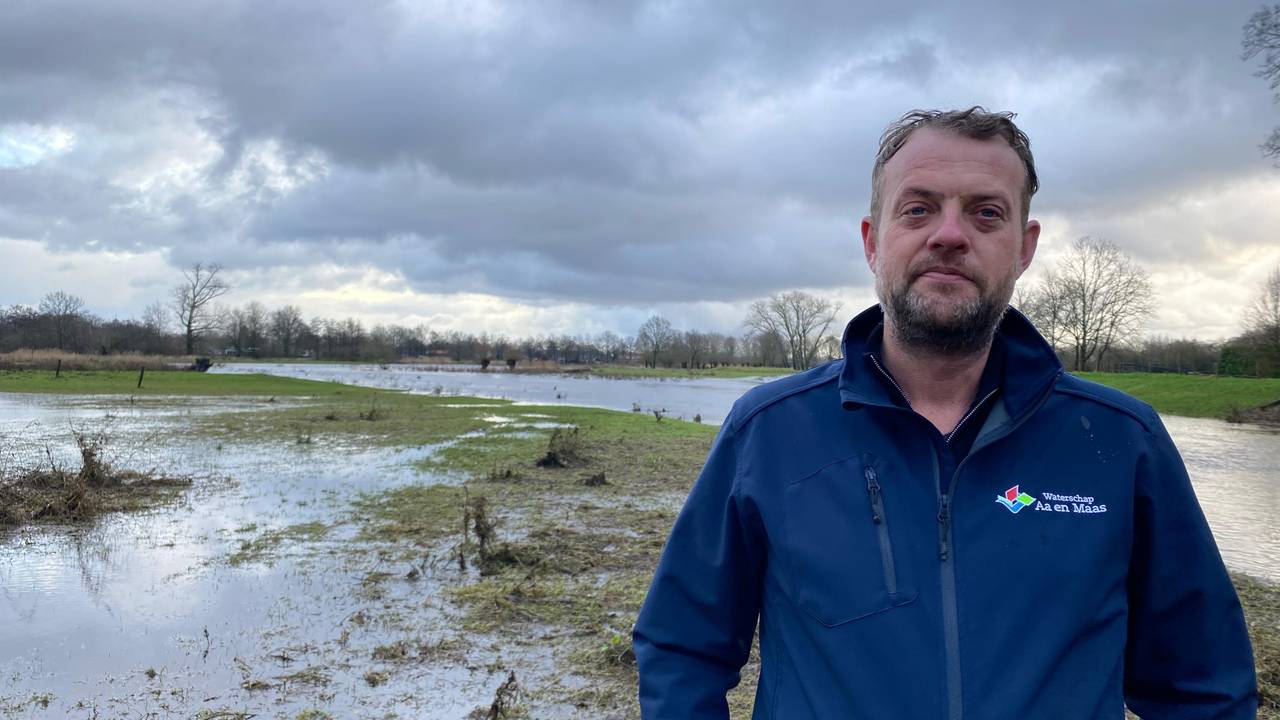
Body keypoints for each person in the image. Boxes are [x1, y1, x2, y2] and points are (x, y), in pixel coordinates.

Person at [632, 107, 1257, 719]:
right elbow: (683, 648)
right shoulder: (768, 432)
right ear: (873, 241)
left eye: (986, 213)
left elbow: (1202, 687)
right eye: (918, 209)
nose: (950, 235)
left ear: (1024, 247)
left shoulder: (1122, 441)